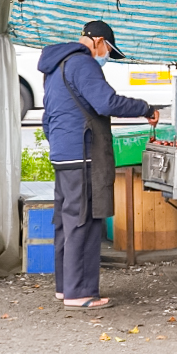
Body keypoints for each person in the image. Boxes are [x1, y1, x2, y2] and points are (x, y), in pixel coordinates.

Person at [38, 21, 159, 309]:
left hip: (63, 154)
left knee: (65, 221)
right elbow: (106, 103)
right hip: (83, 153)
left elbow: (48, 115)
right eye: (107, 50)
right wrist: (145, 107)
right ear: (99, 41)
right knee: (85, 220)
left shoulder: (56, 66)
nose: (105, 56)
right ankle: (79, 292)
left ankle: (65, 287)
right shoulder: (83, 64)